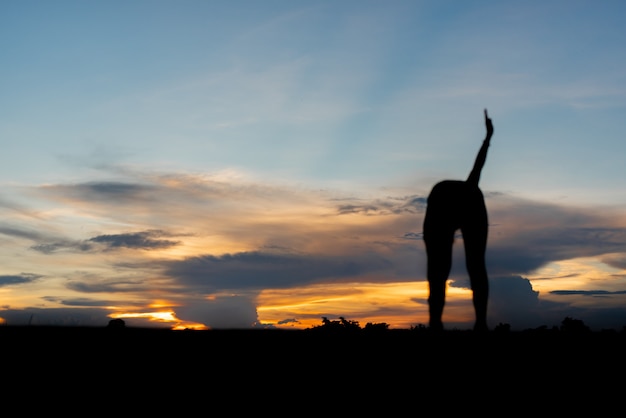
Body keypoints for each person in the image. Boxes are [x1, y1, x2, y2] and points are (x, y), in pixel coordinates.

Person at [422, 109, 494, 332]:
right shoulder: (457, 194)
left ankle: (446, 323)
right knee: (456, 267)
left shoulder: (465, 194)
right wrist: (488, 138)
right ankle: (442, 322)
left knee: (446, 269)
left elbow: (476, 171)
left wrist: (488, 138)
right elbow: (476, 171)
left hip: (459, 202)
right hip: (449, 202)